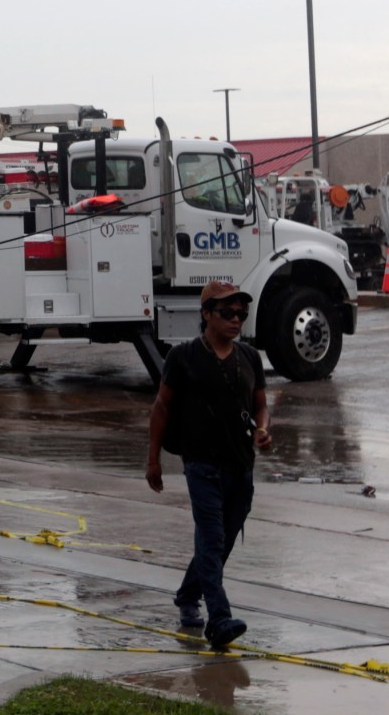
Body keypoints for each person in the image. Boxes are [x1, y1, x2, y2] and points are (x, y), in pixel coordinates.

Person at [146, 277, 272, 653]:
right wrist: (153, 459)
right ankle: (218, 618)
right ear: (206, 315)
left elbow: (261, 405)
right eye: (227, 312)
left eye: (240, 313)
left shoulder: (249, 357)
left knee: (218, 545)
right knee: (212, 539)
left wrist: (262, 430)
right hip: (201, 465)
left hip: (241, 467)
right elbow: (162, 407)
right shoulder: (182, 357)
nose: (236, 319)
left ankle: (187, 595)